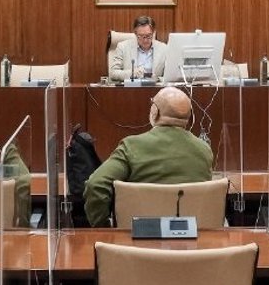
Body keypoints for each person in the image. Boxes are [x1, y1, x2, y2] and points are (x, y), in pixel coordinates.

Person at [84, 87, 214, 227]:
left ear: (155, 111)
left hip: (138, 238)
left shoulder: (131, 146)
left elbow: (96, 185)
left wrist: (103, 228)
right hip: (193, 237)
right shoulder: (204, 150)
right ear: (189, 117)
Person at [109, 15, 167, 82]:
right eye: (141, 36)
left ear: (153, 32)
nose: (145, 40)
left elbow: (170, 76)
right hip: (132, 87)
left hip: (154, 87)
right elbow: (113, 73)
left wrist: (157, 79)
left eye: (148, 36)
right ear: (135, 33)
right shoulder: (123, 47)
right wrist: (132, 73)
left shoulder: (164, 48)